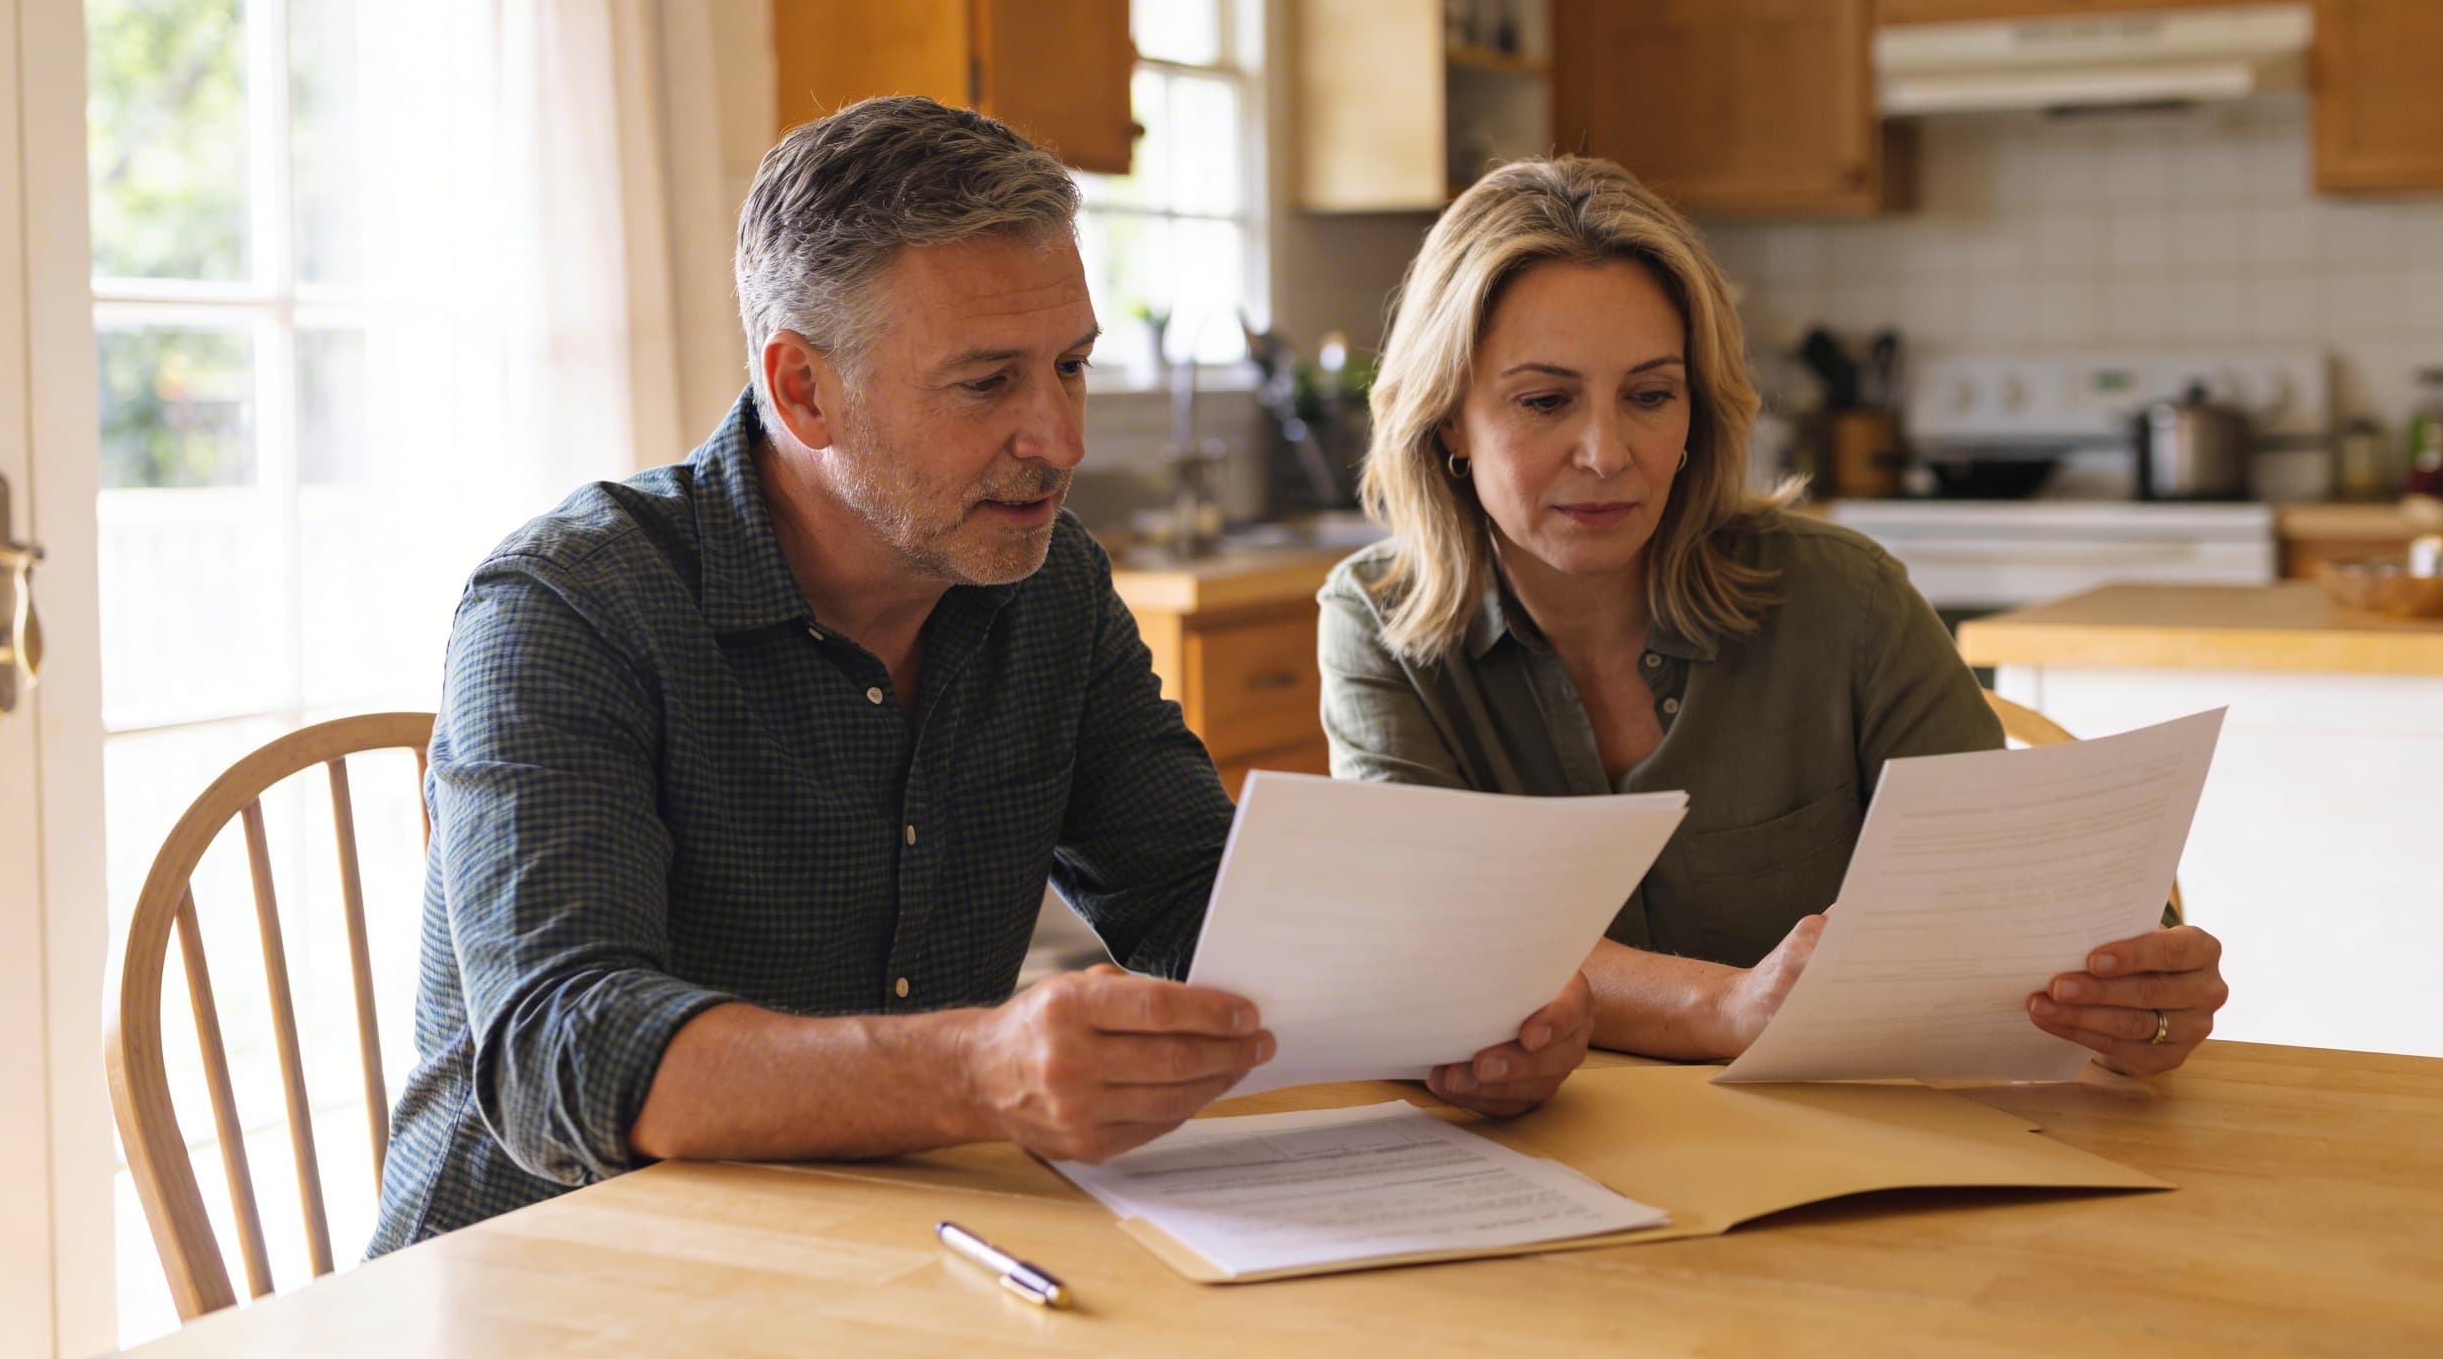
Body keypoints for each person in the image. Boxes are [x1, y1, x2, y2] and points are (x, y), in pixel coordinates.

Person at [370, 97, 1589, 1254]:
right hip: (549, 1284)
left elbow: (1199, 899)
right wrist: (975, 1068)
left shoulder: (1045, 583)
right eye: (986, 380)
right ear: (803, 387)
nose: (1058, 439)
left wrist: (1462, 1008)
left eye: (1070, 364)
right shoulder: (571, 604)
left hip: (877, 1252)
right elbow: (555, 1055)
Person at [1318, 154, 2227, 1086]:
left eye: (1650, 395)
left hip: (1846, 1137)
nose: (1606, 453)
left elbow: (2011, 893)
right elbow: (1433, 936)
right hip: (1544, 1152)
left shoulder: (1845, 599)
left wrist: (2140, 996)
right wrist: (1726, 1006)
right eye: (1544, 401)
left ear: (1698, 411)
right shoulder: (1377, 625)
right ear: (1446, 422)